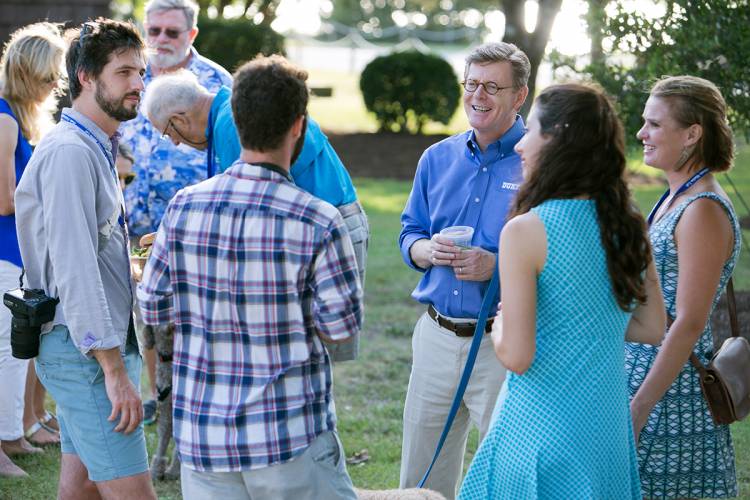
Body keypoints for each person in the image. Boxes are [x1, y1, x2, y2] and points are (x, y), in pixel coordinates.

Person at [137, 54, 362, 500]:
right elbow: (341, 331)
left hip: (204, 439)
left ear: (234, 120)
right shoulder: (320, 220)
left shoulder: (181, 208)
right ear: (298, 126)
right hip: (289, 436)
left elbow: (153, 307)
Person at [458, 83, 666, 499]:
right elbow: (652, 327)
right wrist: (584, 323)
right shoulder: (627, 224)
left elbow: (517, 355)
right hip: (605, 430)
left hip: (538, 429)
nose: (521, 146)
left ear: (557, 139)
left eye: (531, 130)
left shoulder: (526, 230)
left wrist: (501, 324)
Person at [14, 19, 157, 499]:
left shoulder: (96, 145)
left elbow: (88, 254)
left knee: (81, 492)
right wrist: (114, 372)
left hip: (91, 350)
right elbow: (74, 271)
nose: (138, 84)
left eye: (141, 72)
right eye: (124, 73)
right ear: (86, 78)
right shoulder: (71, 153)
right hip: (88, 356)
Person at [140, 70, 369, 361]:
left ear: (180, 118)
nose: (173, 142)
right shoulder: (226, 114)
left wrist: (178, 237)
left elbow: (243, 212)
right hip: (313, 229)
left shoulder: (229, 123)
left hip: (328, 229)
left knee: (312, 350)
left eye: (167, 132)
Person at [398, 41, 529, 499]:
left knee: (503, 478)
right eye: (472, 84)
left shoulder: (539, 166)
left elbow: (556, 257)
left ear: (520, 96)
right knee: (420, 478)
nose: (479, 95)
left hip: (500, 345)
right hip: (434, 337)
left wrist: (496, 265)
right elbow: (409, 231)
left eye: (493, 86)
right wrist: (423, 251)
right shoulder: (437, 158)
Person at [626, 75, 742, 499]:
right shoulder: (675, 197)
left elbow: (690, 321)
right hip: (644, 379)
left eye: (654, 124)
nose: (642, 133)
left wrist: (640, 407)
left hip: (671, 399)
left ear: (692, 133)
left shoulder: (702, 209)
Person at [119, 0, 232, 423]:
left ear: (192, 35)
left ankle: (197, 402)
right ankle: (159, 399)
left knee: (193, 319)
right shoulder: (130, 77)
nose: (161, 40)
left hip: (194, 227)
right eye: (155, 30)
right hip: (137, 224)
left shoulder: (217, 81)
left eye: (172, 32)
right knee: (146, 315)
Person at [0, 21, 65, 478]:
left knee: (17, 347)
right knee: (6, 349)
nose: (55, 86)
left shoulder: (16, 117)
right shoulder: (3, 117)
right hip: (4, 250)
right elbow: (5, 198)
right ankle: (4, 440)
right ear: (29, 74)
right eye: (51, 77)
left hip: (18, 251)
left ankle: (15, 432)